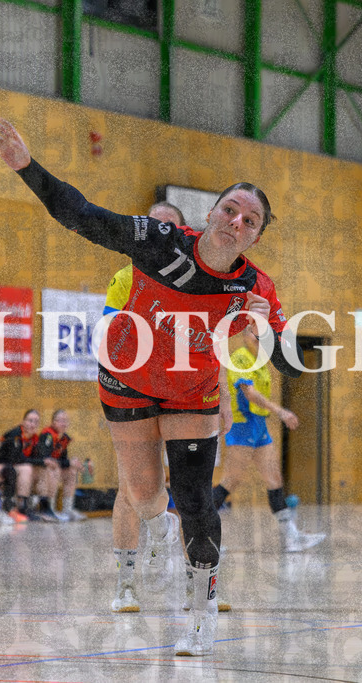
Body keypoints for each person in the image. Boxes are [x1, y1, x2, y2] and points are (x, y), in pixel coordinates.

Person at [0, 118, 304, 656]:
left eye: (250, 220)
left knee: (197, 499)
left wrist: (266, 328)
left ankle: (201, 613)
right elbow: (82, 215)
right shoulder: (159, 243)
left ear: (256, 236)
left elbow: (293, 364)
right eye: (231, 209)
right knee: (142, 493)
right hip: (126, 381)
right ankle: (157, 532)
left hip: (190, 391)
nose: (237, 221)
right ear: (211, 212)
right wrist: (26, 168)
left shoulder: (255, 288)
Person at [100, 202, 231, 614]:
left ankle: (200, 587)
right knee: (132, 490)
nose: (159, 234)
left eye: (168, 228)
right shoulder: (126, 278)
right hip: (137, 394)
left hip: (190, 398)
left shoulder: (207, 283)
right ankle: (125, 585)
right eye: (152, 226)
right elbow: (114, 339)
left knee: (195, 495)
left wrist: (222, 396)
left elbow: (215, 347)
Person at [212, 329, 325, 552]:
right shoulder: (241, 358)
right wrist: (282, 412)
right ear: (244, 336)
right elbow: (250, 394)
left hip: (259, 424)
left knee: (274, 478)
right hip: (243, 424)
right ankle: (200, 533)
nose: (258, 340)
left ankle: (291, 537)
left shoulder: (260, 361)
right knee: (231, 481)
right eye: (254, 336)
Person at [34, 409, 86, 521]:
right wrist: (68, 463)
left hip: (54, 470)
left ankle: (67, 510)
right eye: (60, 420)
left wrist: (74, 463)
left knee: (72, 471)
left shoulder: (64, 438)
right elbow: (46, 459)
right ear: (53, 422)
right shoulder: (47, 435)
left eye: (66, 421)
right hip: (41, 473)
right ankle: (49, 508)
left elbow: (63, 460)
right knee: (53, 468)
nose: (64, 423)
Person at [0, 409, 41, 521]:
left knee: (43, 471)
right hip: (1, 467)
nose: (33, 424)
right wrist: (41, 462)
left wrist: (44, 462)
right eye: (30, 421)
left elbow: (38, 457)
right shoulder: (15, 435)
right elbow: (17, 458)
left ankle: (43, 505)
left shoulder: (34, 439)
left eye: (36, 422)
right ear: (23, 421)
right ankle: (22, 507)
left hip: (14, 468)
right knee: (26, 469)